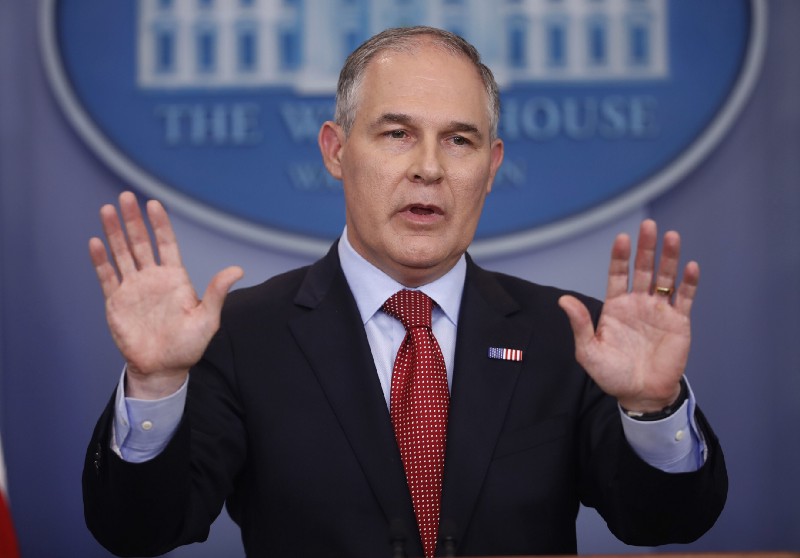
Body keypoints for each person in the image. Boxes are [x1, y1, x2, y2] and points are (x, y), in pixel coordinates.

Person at [83, 26, 726, 557]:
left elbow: (664, 522)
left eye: (459, 140)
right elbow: (139, 531)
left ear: (491, 166)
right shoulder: (243, 337)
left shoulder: (570, 335)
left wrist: (652, 410)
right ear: (336, 150)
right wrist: (156, 385)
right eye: (397, 134)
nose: (429, 168)